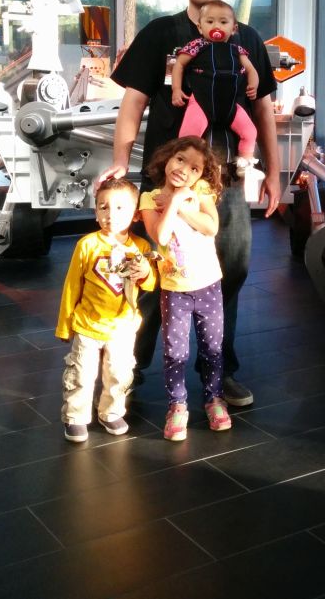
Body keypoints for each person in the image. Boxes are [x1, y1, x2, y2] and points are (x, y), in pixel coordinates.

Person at [98, 0, 281, 408]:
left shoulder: (248, 39)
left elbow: (262, 111)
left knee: (230, 272)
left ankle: (219, 371)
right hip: (167, 179)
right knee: (149, 272)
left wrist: (276, 173)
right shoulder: (162, 34)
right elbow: (133, 104)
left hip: (228, 182)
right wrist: (121, 160)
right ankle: (128, 371)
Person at [140, 136, 231, 440]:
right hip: (174, 288)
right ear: (167, 158)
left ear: (200, 176)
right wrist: (174, 201)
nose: (184, 170)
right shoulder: (149, 198)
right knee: (175, 350)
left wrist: (179, 203)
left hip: (209, 284)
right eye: (180, 159)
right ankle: (177, 405)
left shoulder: (201, 191)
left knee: (212, 348)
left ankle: (214, 398)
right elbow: (161, 236)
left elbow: (211, 226)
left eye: (194, 168)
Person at [55, 178, 155, 443]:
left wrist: (145, 272)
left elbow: (152, 283)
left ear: (135, 214)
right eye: (104, 207)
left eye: (120, 208)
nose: (111, 214)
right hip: (88, 325)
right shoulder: (87, 245)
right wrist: (64, 325)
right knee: (82, 374)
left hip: (123, 327)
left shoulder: (141, 248)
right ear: (95, 212)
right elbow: (71, 286)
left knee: (120, 373)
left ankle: (111, 412)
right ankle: (76, 416)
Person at [172, 0, 263, 187]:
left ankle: (245, 163)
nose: (216, 26)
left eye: (223, 22)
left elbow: (252, 70)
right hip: (201, 103)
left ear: (234, 28)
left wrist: (253, 85)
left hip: (230, 106)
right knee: (188, 137)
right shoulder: (196, 46)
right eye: (210, 21)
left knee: (250, 131)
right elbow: (179, 65)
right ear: (200, 26)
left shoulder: (237, 50)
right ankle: (185, 168)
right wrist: (176, 89)